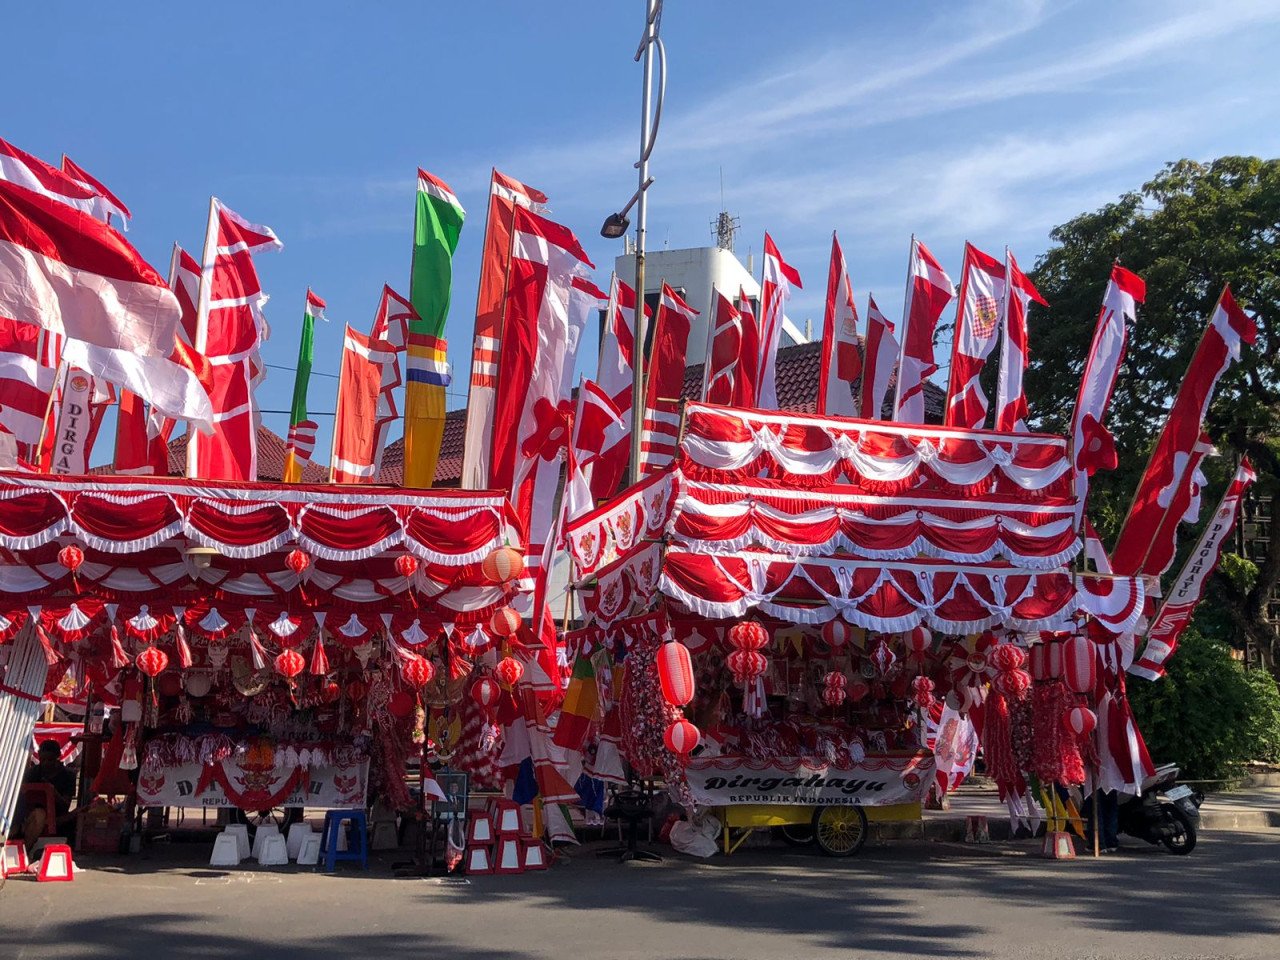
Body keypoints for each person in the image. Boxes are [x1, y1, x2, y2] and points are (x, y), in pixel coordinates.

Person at [13, 739, 78, 852]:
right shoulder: (32, 773)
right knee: (38, 815)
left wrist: (53, 794)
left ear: (58, 757)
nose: (46, 763)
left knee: (76, 815)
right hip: (32, 815)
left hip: (58, 817)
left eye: (50, 760)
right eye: (43, 760)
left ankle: (24, 852)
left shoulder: (68, 775)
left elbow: (65, 805)